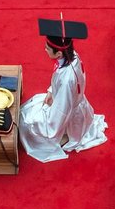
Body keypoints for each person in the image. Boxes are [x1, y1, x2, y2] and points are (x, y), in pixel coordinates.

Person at [19, 19, 107, 162]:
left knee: (28, 124)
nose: (45, 50)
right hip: (71, 102)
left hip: (67, 111)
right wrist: (51, 91)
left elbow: (61, 111)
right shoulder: (73, 57)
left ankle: (65, 135)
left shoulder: (67, 80)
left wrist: (49, 126)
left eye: (47, 48)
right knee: (32, 106)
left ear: (59, 54)